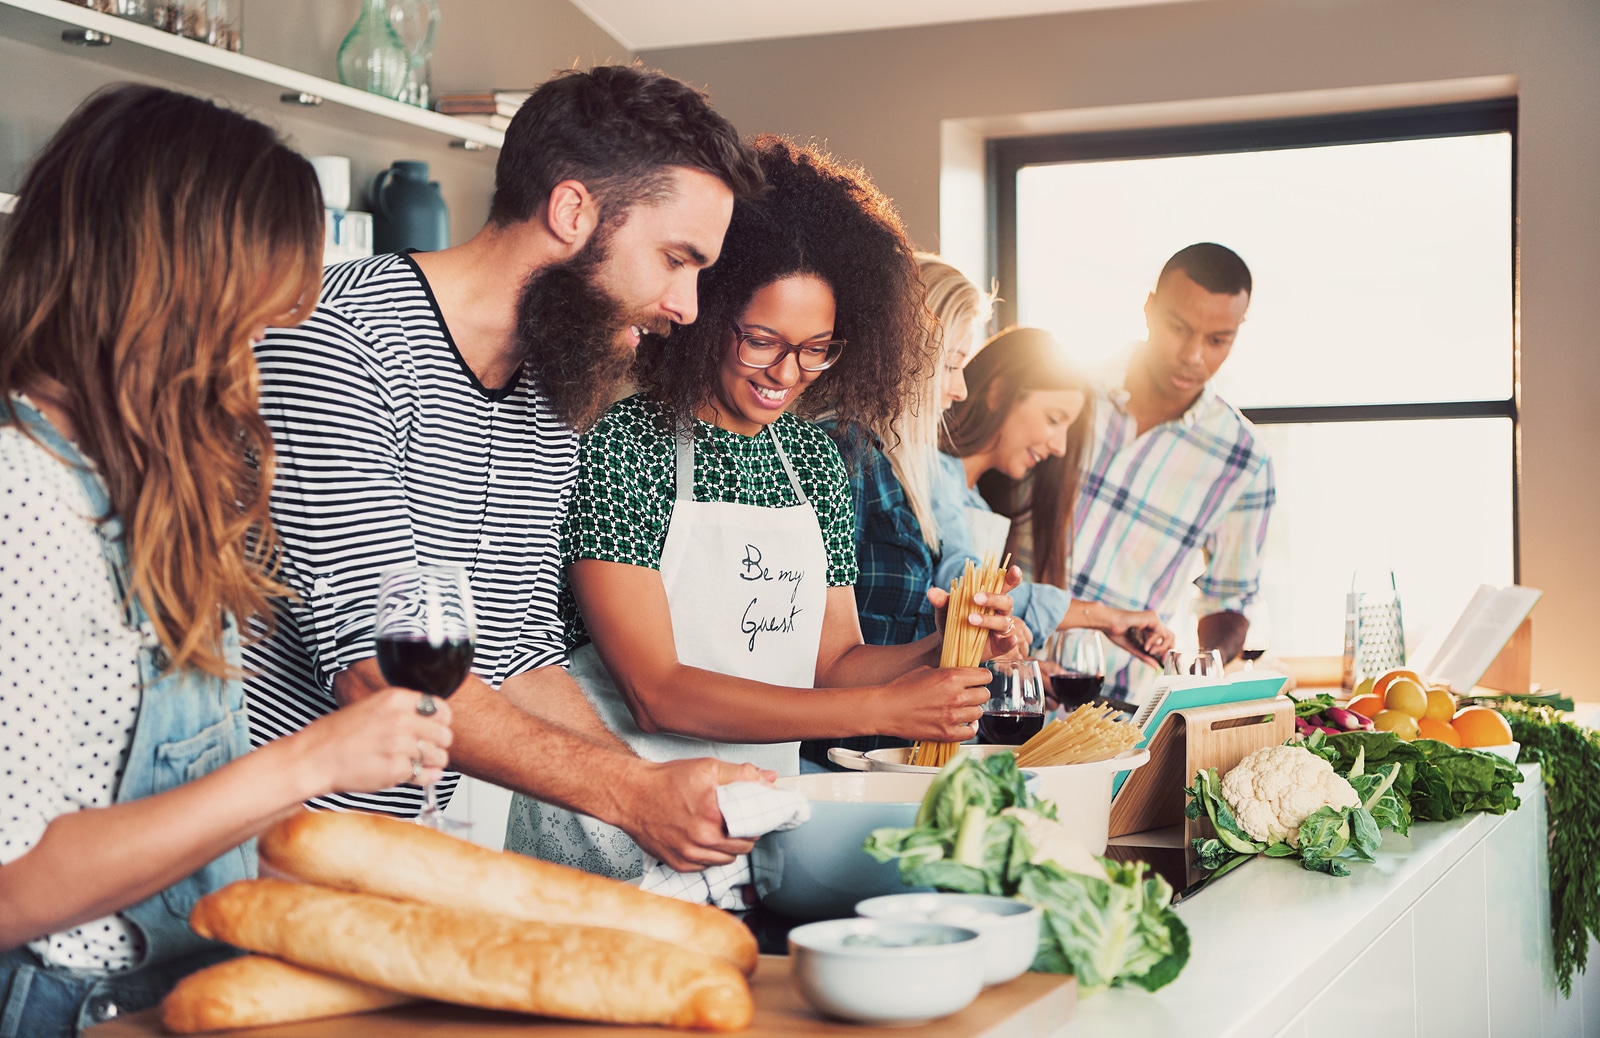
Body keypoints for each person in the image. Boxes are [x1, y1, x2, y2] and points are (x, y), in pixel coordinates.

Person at [0, 84, 453, 1033]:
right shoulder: (20, 496)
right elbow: (14, 888)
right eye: (244, 327)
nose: (257, 363)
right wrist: (304, 763)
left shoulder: (136, 487)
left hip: (188, 983)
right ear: (164, 289)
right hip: (69, 1009)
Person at [243, 65, 774, 874]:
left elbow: (519, 652)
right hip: (260, 849)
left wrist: (650, 790)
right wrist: (630, 797)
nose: (687, 306)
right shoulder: (340, 343)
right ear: (572, 211)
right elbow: (379, 673)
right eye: (676, 258)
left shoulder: (550, 391)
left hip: (402, 852)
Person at [505, 137, 1024, 879]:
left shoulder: (812, 461)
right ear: (711, 314)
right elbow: (657, 693)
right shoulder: (625, 445)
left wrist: (946, 646)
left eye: (817, 349)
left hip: (752, 826)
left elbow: (834, 664)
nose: (788, 374)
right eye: (762, 341)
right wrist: (887, 711)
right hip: (609, 828)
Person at [795, 255, 993, 769]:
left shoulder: (890, 462)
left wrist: (958, 639)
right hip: (832, 762)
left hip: (876, 758)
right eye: (950, 364)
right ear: (904, 353)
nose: (960, 389)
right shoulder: (841, 453)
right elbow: (819, 662)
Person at [1068, 243, 1275, 699]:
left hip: (1116, 707)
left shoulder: (1243, 458)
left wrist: (1198, 682)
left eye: (1218, 340)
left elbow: (1229, 601)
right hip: (997, 682)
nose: (1193, 355)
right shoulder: (1069, 386)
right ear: (1149, 309)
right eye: (1178, 328)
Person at [935, 327, 1174, 680]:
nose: (1060, 447)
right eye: (1053, 419)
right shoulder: (932, 471)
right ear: (999, 392)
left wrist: (1017, 667)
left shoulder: (978, 503)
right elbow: (967, 589)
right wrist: (1103, 617)